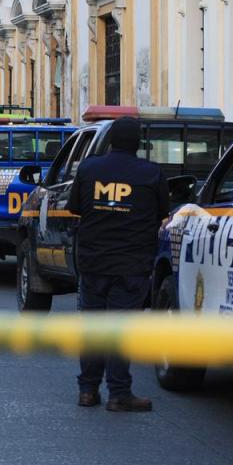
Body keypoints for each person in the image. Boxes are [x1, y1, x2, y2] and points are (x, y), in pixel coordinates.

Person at [68, 117, 169, 412]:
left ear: (111, 140)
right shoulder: (151, 173)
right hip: (131, 264)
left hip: (93, 261)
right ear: (138, 143)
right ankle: (118, 393)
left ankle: (87, 390)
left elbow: (75, 207)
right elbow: (162, 211)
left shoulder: (89, 169)